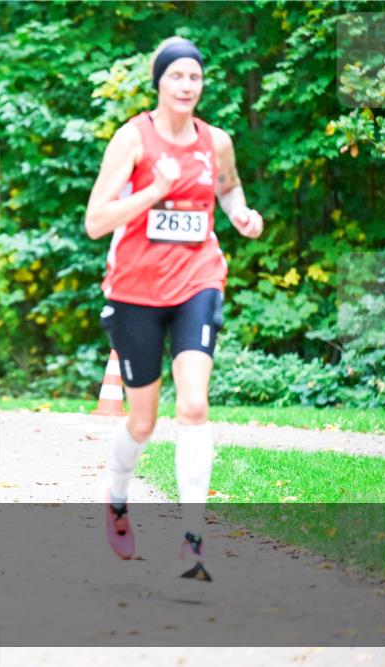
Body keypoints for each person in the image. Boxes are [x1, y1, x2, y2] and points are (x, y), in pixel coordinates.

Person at [84, 37, 263, 581]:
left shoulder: (217, 141)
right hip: (135, 290)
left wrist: (240, 213)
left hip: (197, 281)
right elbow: (96, 222)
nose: (187, 86)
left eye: (195, 78)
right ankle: (117, 499)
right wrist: (153, 192)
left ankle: (192, 541)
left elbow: (228, 189)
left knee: (194, 405)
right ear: (159, 82)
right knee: (142, 420)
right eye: (177, 77)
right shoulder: (132, 139)